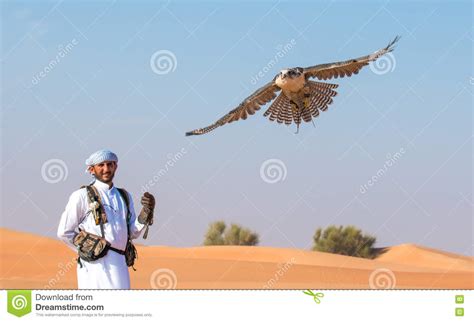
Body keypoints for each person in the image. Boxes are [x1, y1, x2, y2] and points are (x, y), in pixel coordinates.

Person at [57, 149, 155, 289]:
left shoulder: (124, 196)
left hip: (120, 264)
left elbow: (132, 233)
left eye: (110, 164)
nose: (106, 169)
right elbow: (64, 232)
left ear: (116, 166)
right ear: (91, 169)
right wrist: (86, 250)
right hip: (94, 266)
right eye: (101, 165)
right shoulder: (81, 195)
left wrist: (146, 213)